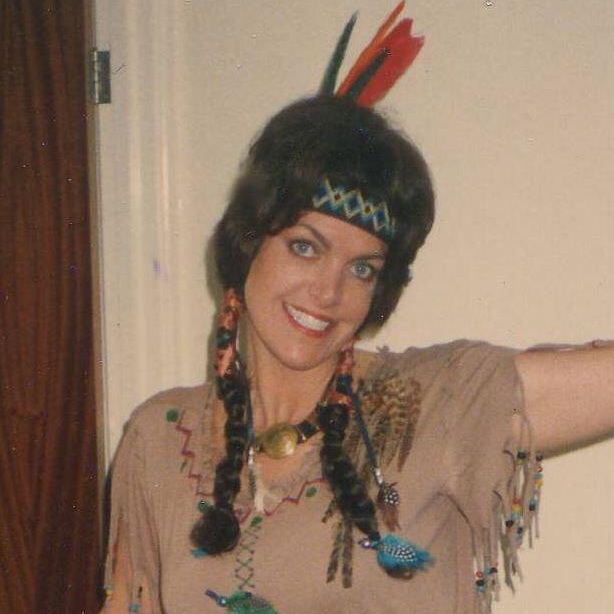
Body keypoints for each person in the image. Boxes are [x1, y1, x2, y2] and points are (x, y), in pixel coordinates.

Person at [101, 7, 614, 614]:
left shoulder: (427, 406)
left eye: (362, 268)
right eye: (305, 247)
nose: (329, 291)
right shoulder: (159, 439)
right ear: (249, 242)